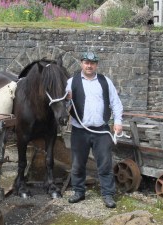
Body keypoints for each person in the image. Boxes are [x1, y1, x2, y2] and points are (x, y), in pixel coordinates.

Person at [65, 51, 123, 208]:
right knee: (77, 164)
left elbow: (116, 103)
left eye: (92, 63)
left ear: (96, 65)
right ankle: (79, 192)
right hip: (79, 130)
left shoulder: (105, 82)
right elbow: (62, 106)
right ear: (81, 64)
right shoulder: (71, 82)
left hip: (101, 131)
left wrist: (118, 122)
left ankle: (108, 195)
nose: (89, 65)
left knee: (105, 164)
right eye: (86, 62)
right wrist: (67, 101)